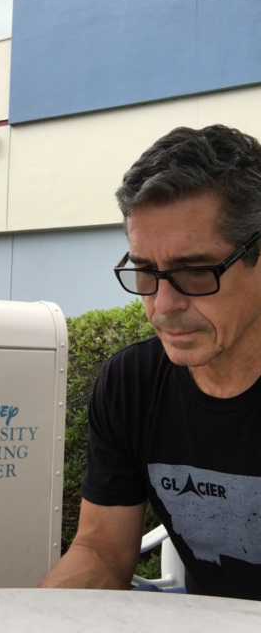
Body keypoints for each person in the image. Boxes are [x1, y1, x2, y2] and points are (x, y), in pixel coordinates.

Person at [40, 124, 261, 600]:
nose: (162, 307)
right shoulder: (132, 383)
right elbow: (101, 550)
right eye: (144, 272)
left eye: (195, 271)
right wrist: (42, 615)